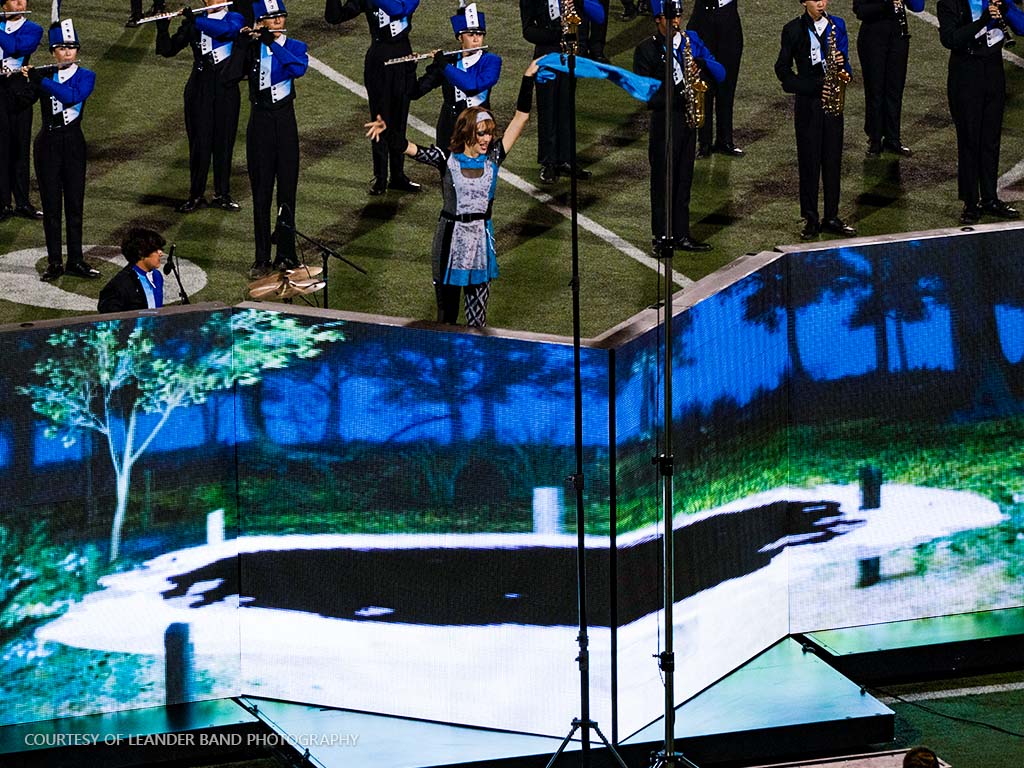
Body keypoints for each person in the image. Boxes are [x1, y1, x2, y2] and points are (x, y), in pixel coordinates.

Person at [365, 62, 539, 327]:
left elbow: (521, 118)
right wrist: (386, 131)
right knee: (446, 320)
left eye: (490, 134)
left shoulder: (493, 158)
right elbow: (411, 148)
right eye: (482, 134)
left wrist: (528, 78)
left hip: (480, 241)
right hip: (449, 242)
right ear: (468, 133)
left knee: (477, 322)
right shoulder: (446, 159)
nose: (487, 140)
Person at [225, 0, 308, 278]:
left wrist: (271, 44)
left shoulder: (295, 46)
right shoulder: (251, 47)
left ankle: (287, 253)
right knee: (261, 194)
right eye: (272, 18)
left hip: (285, 124)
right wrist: (241, 44)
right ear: (260, 22)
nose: (278, 22)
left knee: (287, 193)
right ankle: (262, 258)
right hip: (259, 123)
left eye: (281, 17)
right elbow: (230, 76)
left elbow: (297, 69)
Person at [634, 0, 724, 252]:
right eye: (669, 17)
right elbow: (646, 96)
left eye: (678, 16)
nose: (675, 21)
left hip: (687, 120)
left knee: (684, 179)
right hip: (664, 123)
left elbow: (721, 72)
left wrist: (701, 65)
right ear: (657, 19)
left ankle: (682, 234)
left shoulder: (690, 41)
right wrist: (680, 93)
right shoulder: (646, 50)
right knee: (663, 181)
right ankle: (661, 237)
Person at [775, 0, 857, 240]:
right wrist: (811, 86)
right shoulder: (793, 30)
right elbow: (783, 70)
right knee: (809, 163)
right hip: (808, 105)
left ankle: (831, 216)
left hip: (833, 101)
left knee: (833, 162)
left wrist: (844, 71)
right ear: (803, 2)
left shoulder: (837, 25)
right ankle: (811, 218)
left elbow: (846, 62)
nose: (822, 3)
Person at [938, 0, 1024, 223]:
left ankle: (989, 198)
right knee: (969, 141)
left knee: (990, 140)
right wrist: (984, 21)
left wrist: (1007, 9)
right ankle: (970, 202)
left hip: (993, 71)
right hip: (966, 73)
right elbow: (950, 39)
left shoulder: (997, 0)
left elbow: (1022, 28)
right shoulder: (950, 3)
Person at [156, 0, 245, 214]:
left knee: (224, 141)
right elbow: (168, 50)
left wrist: (196, 20)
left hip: (226, 86)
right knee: (199, 143)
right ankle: (196, 195)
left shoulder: (235, 18)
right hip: (199, 87)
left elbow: (227, 31)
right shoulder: (194, 22)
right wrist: (162, 29)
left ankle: (222, 194)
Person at [27, 18, 98, 281]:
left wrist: (41, 80)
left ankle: (76, 261)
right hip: (47, 145)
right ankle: (55, 262)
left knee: (75, 206)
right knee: (52, 206)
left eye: (71, 47)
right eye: (61, 47)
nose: (67, 52)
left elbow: (71, 97)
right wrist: (23, 79)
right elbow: (21, 102)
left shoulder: (86, 76)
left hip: (74, 144)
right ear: (53, 51)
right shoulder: (44, 75)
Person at [325, 0, 420, 196]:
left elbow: (399, 9)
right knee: (379, 120)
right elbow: (335, 17)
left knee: (399, 119)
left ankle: (398, 175)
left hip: (403, 59)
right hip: (379, 60)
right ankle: (381, 177)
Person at [520, 0, 606, 185]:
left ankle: (567, 159)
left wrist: (579, 45)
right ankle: (548, 162)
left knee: (566, 108)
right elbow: (527, 30)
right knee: (548, 108)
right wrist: (558, 34)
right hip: (546, 55)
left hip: (570, 55)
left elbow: (597, 16)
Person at [412, 2, 501, 149]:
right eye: (470, 35)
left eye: (479, 34)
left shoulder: (491, 61)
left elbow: (472, 87)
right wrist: (410, 68)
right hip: (450, 129)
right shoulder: (448, 61)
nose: (476, 39)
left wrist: (444, 65)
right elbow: (415, 92)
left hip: (480, 127)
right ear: (460, 38)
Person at [854, 0, 924, 158]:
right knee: (875, 90)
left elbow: (919, 7)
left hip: (898, 38)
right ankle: (875, 139)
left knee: (895, 90)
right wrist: (887, 4)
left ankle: (893, 138)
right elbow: (860, 11)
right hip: (872, 39)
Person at [0, 0, 43, 220]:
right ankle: (3, 203)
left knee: (20, 146)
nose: (20, 3)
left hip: (18, 90)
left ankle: (22, 202)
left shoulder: (34, 29)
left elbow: (15, 48)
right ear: (3, 4)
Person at [688, 0, 744, 157]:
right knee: (703, 83)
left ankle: (725, 140)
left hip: (729, 20)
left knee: (727, 85)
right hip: (703, 19)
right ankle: (704, 143)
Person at [98, 228, 167, 313]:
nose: (161, 254)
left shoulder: (156, 276)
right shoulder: (119, 285)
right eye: (156, 250)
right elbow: (110, 319)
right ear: (141, 253)